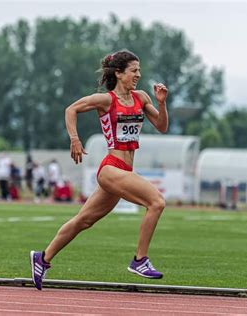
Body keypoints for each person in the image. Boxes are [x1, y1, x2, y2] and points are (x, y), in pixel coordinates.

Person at [30, 50, 168, 290]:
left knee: (84, 220)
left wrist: (161, 104)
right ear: (119, 73)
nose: (139, 74)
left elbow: (162, 126)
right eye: (134, 70)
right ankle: (140, 260)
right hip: (111, 168)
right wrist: (74, 139)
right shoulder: (106, 100)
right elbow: (70, 110)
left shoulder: (141, 97)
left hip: (124, 170)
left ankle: (42, 258)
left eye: (139, 70)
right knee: (156, 202)